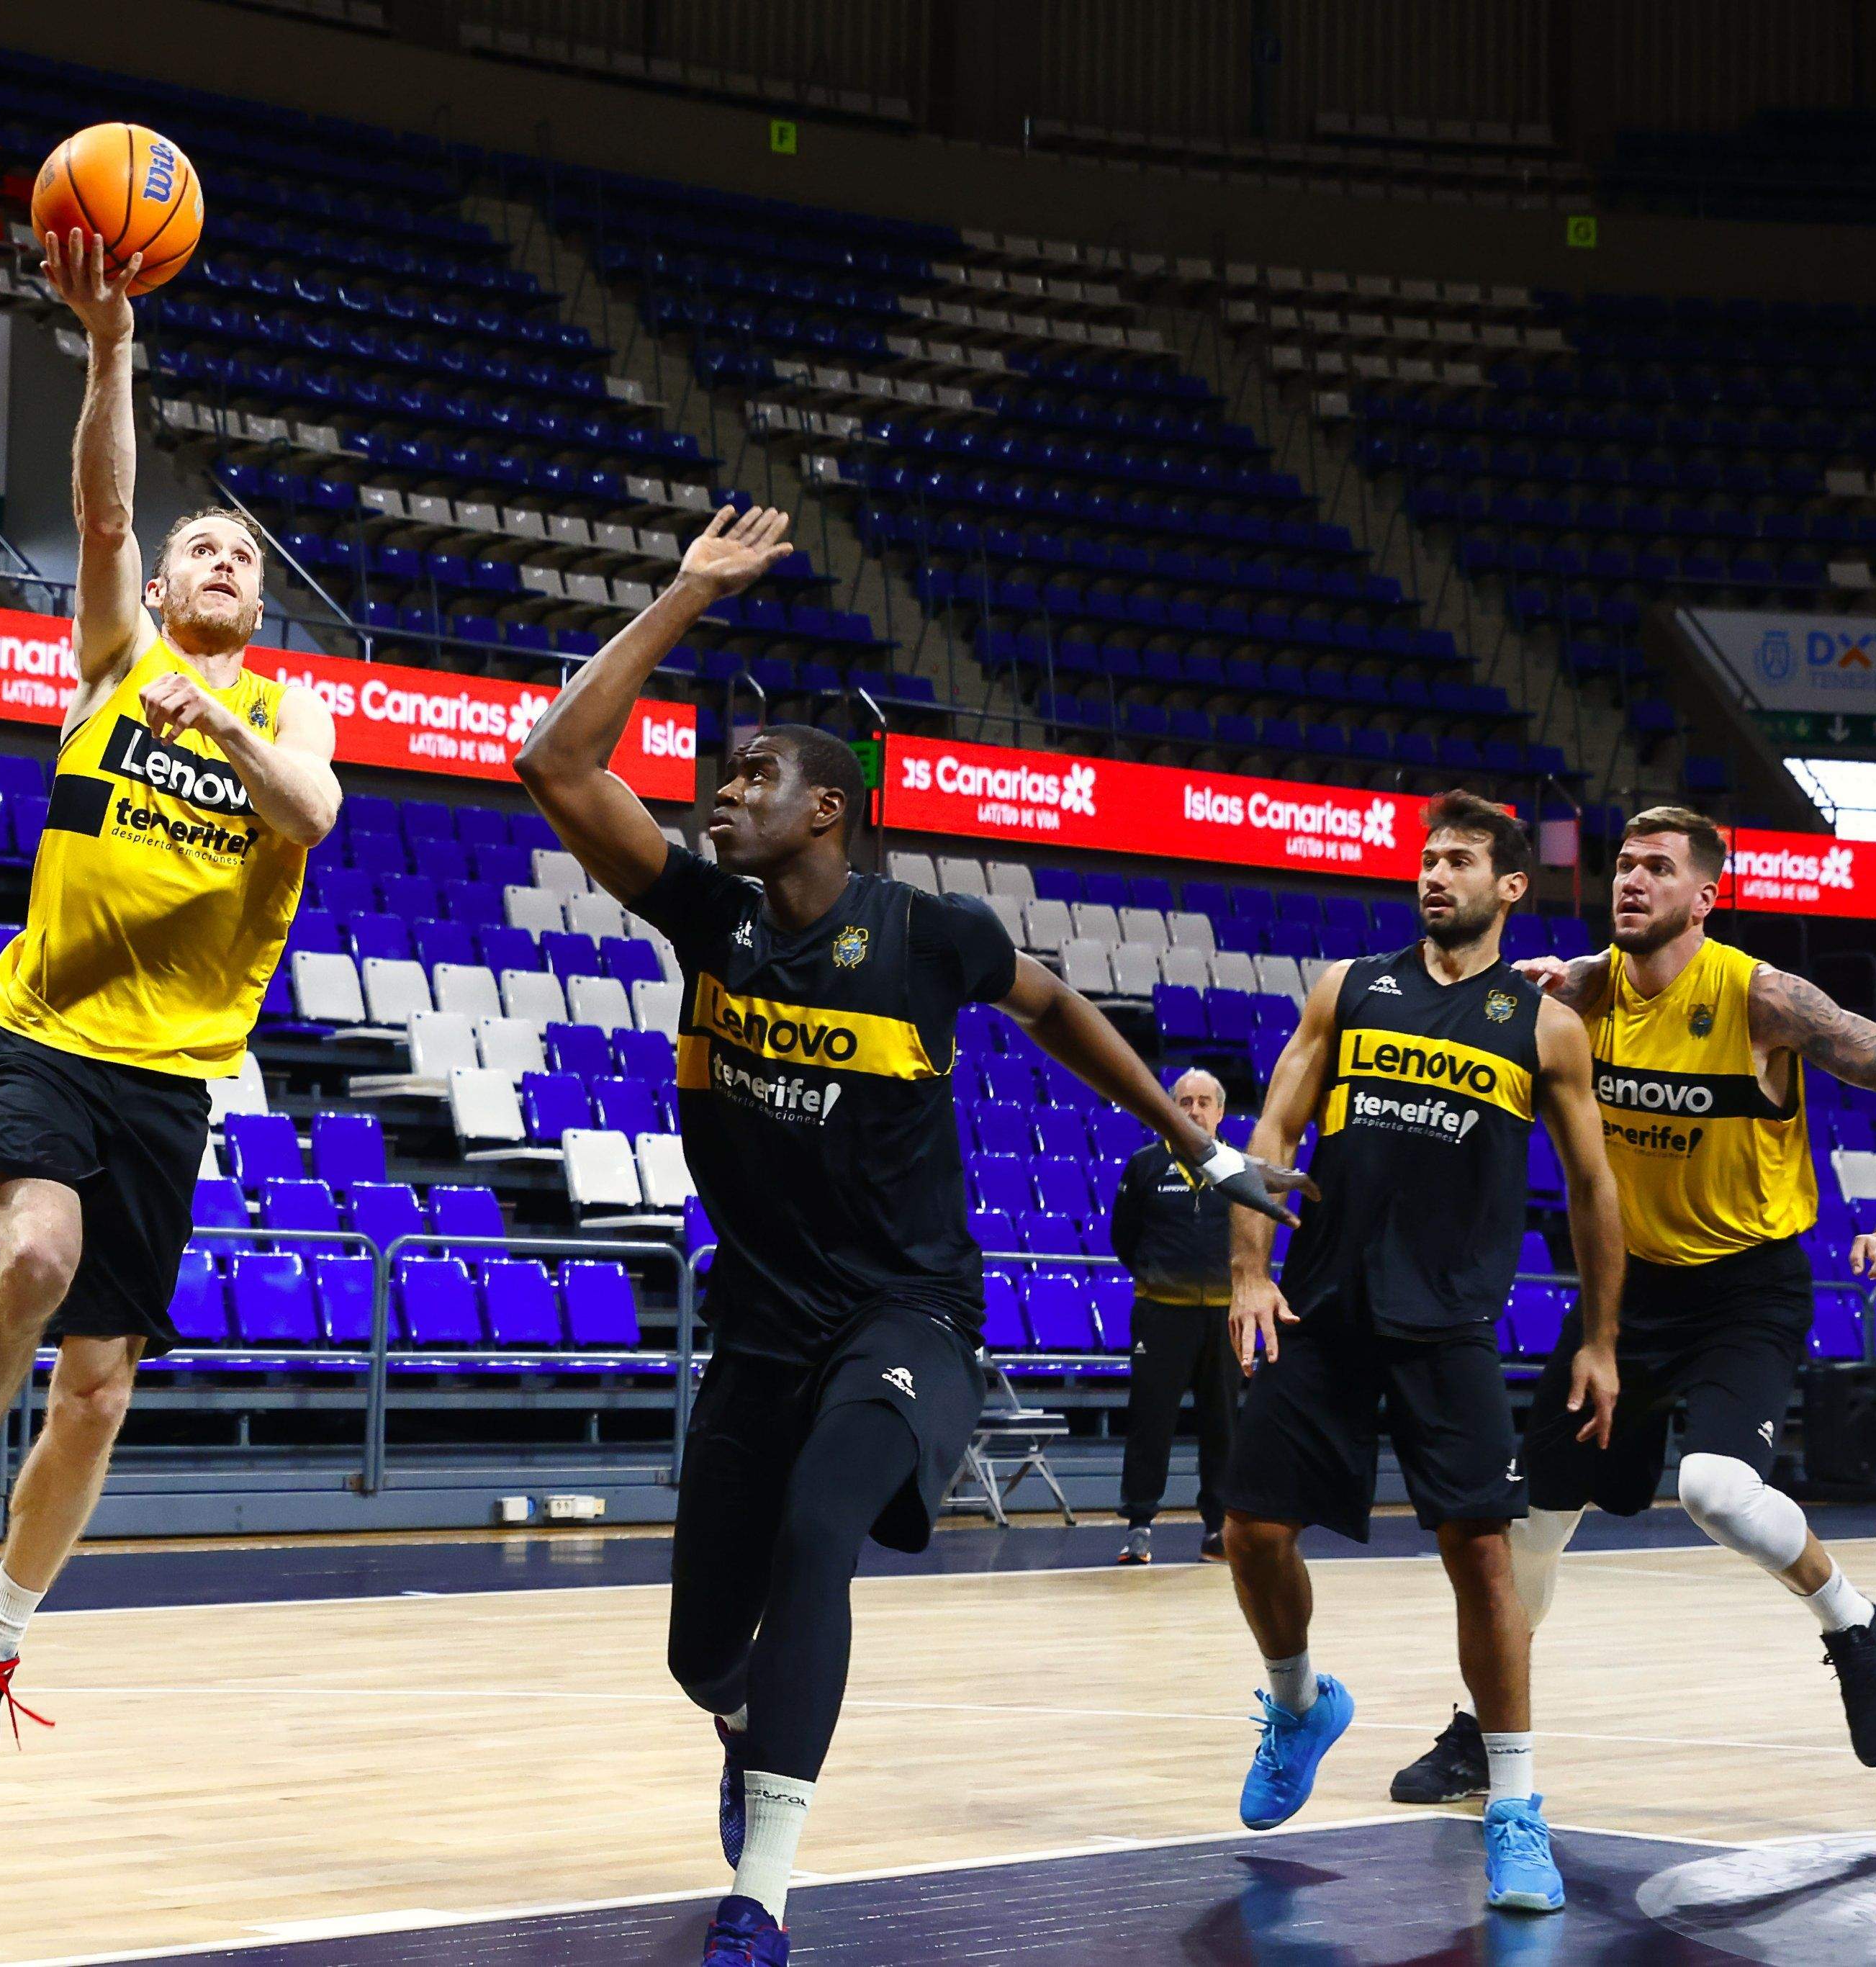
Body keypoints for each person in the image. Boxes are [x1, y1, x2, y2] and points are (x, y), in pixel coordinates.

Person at [513, 505, 1308, 1967]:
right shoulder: (708, 920)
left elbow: (1058, 1005)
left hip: (909, 1320)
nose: (719, 793)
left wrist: (1193, 1140)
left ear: (827, 809)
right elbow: (553, 761)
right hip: (758, 1326)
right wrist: (686, 592)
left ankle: (765, 1891)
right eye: (721, 770)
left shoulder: (924, 933)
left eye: (752, 776)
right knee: (702, 1652)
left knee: (822, 1534)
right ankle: (743, 1720)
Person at [0, 231, 341, 1806]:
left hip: (173, 1077)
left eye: (241, 559)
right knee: (35, 1260)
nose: (220, 564)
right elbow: (93, 500)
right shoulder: (107, 659)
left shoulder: (282, 710)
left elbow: (314, 816)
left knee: (98, 1390)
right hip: (49, 1032)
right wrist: (108, 349)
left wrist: (214, 716)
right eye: (197, 549)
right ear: (152, 586)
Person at [1389, 806, 1876, 1807]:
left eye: (1658, 868)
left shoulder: (1762, 997)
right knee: (1529, 1520)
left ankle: (1855, 1628)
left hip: (1744, 1286)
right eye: (1623, 864)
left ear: (1706, 897)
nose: (1631, 880)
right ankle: (1484, 1732)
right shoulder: (1579, 993)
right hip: (1625, 1292)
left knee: (1718, 1494)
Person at [1218, 794, 1622, 1914]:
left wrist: (1599, 1339)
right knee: (1250, 1535)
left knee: (1483, 1557)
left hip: (1448, 1323)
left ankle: (1515, 1807)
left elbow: (1594, 1190)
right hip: (1325, 1306)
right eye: (1427, 858)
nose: (1434, 874)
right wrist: (1251, 1270)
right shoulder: (1348, 986)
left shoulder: (1544, 1027)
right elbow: (1272, 1135)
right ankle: (1299, 1703)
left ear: (1510, 887)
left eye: (1460, 860)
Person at [1109, 1067, 1240, 1566]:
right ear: (1170, 1108)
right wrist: (1156, 1278)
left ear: (1221, 1111)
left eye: (1205, 1101)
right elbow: (1123, 1238)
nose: (1194, 1111)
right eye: (1185, 1101)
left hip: (1223, 1319)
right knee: (1151, 1421)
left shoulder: (1236, 1168)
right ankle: (1139, 1526)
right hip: (1161, 1315)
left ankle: (1217, 1528)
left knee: (1223, 1424)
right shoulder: (1143, 1166)